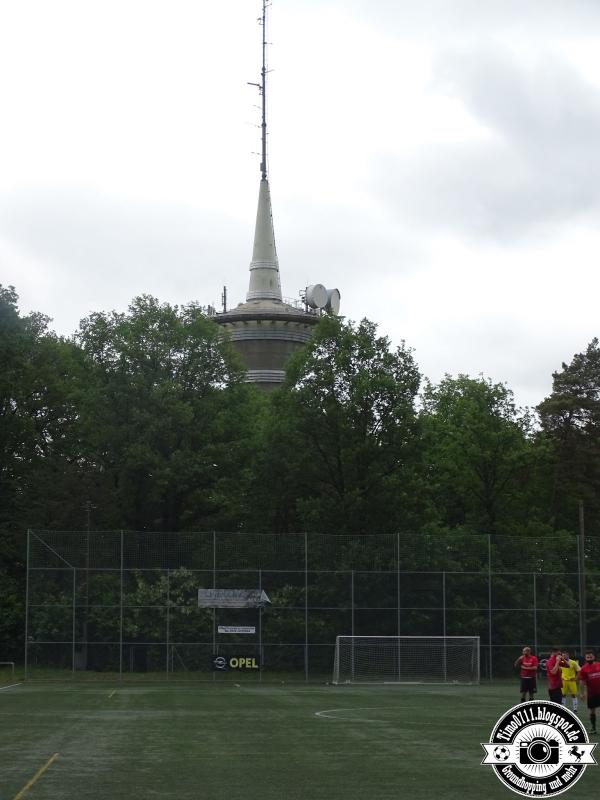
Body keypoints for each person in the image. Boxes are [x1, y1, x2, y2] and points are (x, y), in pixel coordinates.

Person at [578, 650, 600, 735]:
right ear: (585, 658)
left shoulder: (599, 665)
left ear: (594, 657)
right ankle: (593, 728)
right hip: (592, 693)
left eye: (591, 657)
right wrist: (581, 693)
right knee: (592, 711)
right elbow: (582, 682)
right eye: (588, 657)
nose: (589, 658)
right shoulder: (583, 668)